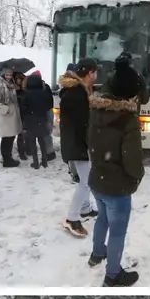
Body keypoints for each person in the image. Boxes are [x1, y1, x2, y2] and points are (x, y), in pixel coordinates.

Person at [88, 53, 146, 287]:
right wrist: (138, 175)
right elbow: (132, 161)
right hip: (116, 186)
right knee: (118, 232)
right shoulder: (128, 120)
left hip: (97, 180)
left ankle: (97, 254)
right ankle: (113, 275)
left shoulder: (96, 111)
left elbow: (89, 143)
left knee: (102, 218)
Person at [58, 59, 97, 237]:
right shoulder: (77, 92)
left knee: (85, 178)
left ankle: (85, 208)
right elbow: (83, 122)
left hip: (74, 141)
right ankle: (72, 218)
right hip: (77, 142)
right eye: (95, 72)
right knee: (86, 180)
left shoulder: (75, 89)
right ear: (90, 73)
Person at [20, 70, 55, 169]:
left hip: (31, 120)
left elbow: (23, 108)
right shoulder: (43, 92)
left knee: (32, 141)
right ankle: (44, 160)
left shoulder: (26, 93)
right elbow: (47, 104)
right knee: (41, 139)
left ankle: (35, 162)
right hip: (41, 118)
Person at [0, 68, 22, 167]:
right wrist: (6, 109)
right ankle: (7, 160)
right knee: (6, 138)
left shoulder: (11, 85)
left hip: (12, 116)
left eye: (10, 75)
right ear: (3, 75)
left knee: (11, 137)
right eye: (6, 75)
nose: (8, 77)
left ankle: (8, 158)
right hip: (5, 116)